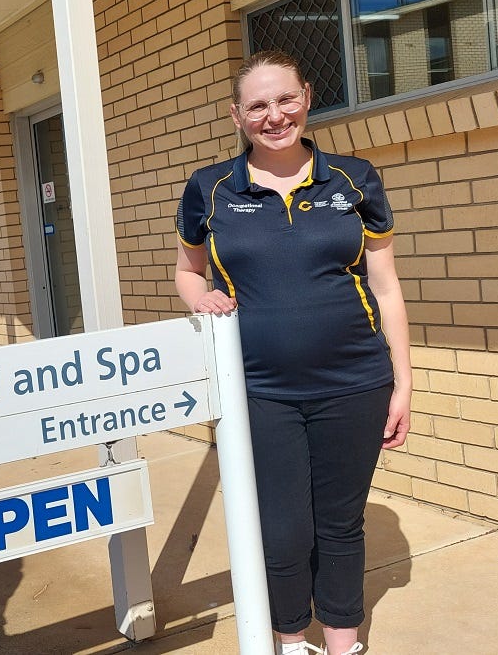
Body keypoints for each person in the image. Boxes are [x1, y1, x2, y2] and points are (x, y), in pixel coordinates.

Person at [174, 50, 411, 655]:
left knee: (340, 523)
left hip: (356, 383)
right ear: (237, 116)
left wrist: (403, 383)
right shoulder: (210, 189)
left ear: (306, 97)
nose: (274, 116)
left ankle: (342, 641)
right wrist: (201, 297)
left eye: (285, 99)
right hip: (260, 390)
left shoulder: (354, 178)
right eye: (257, 106)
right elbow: (188, 270)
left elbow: (385, 287)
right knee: (282, 529)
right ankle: (288, 639)